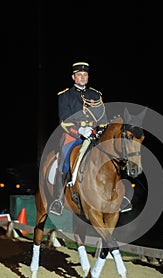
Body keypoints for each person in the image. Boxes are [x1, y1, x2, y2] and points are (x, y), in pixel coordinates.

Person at [49, 61, 108, 215]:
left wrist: (100, 131)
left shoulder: (95, 95)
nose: (82, 77)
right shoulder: (65, 95)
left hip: (94, 136)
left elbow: (103, 118)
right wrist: (80, 130)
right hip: (73, 135)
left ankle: (118, 195)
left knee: (112, 156)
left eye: (85, 75)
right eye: (79, 75)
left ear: (88, 77)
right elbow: (64, 120)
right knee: (64, 162)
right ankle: (58, 200)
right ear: (73, 77)